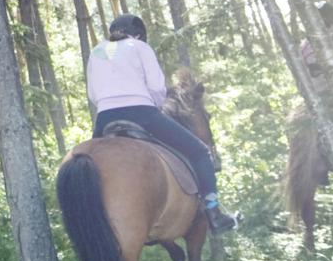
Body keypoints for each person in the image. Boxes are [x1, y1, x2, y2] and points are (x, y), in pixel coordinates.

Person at [87, 12, 236, 231]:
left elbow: (92, 93)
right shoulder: (140, 47)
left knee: (90, 171)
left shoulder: (96, 51)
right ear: (138, 34)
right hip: (141, 112)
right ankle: (214, 214)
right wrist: (154, 106)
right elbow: (157, 88)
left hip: (105, 117)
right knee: (200, 152)